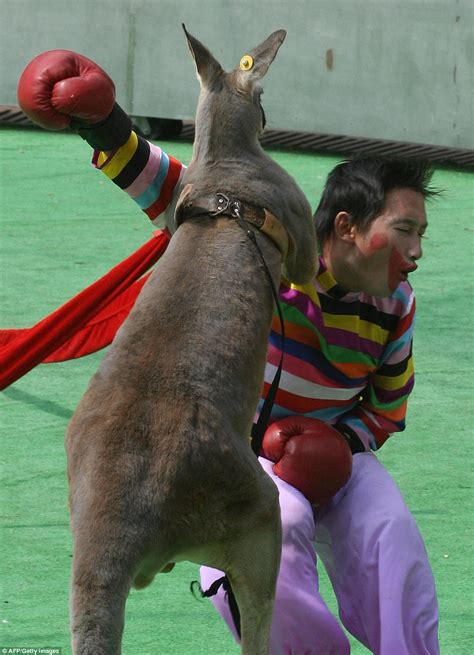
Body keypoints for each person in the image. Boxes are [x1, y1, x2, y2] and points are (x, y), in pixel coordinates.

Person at [18, 51, 440, 654]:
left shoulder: (396, 306)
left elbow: (387, 412)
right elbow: (177, 187)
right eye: (406, 233)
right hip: (243, 447)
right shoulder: (263, 239)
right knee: (282, 522)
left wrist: (336, 447)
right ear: (347, 226)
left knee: (392, 532)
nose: (417, 253)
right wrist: (104, 125)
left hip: (334, 450)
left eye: (422, 235)